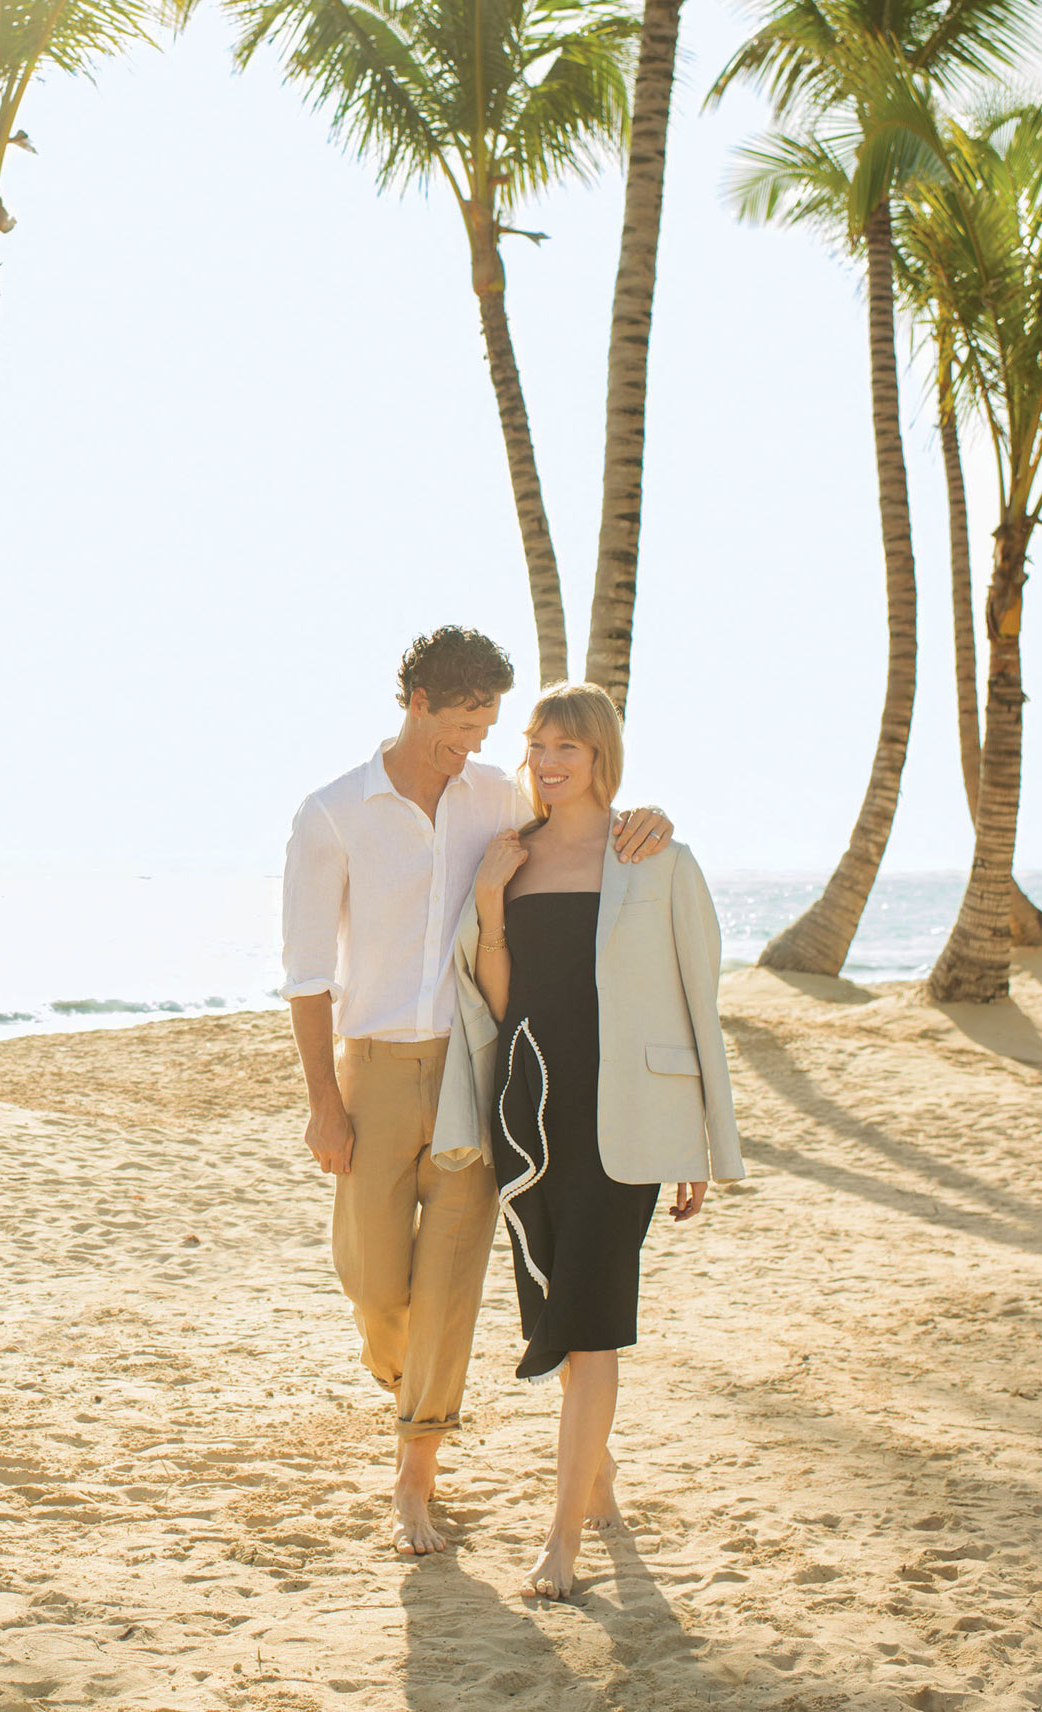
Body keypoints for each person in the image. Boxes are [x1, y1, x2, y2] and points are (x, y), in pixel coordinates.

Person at [280, 630, 673, 1556]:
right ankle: (412, 1378)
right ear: (417, 704)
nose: (478, 745)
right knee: (375, 1284)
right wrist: (322, 1104)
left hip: (473, 1075)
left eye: (487, 727)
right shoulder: (332, 814)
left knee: (449, 1282)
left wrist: (647, 816)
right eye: (463, 726)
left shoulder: (495, 795)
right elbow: (305, 975)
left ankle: (415, 1478)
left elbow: (582, 816)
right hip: (371, 1069)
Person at [433, 679, 743, 1601]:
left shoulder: (655, 856)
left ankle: (562, 1539)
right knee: (557, 1323)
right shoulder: (510, 855)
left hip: (629, 1126)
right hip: (531, 1112)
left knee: (593, 1325)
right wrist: (490, 903)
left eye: (567, 747)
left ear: (601, 754)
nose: (548, 762)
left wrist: (696, 1145)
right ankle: (597, 1478)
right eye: (537, 745)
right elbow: (495, 1000)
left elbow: (700, 1003)